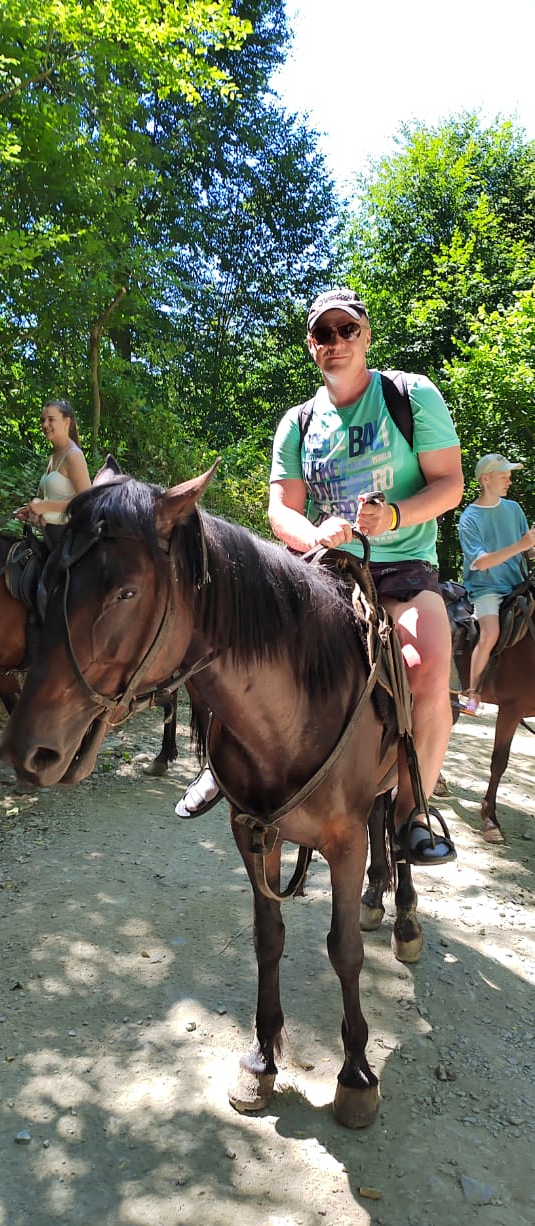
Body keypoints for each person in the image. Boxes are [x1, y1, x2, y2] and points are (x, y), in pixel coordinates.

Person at [178, 288, 464, 868]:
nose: (335, 342)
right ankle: (219, 764)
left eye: (346, 330)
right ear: (312, 345)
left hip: (404, 570)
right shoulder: (299, 422)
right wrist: (312, 536)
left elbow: (450, 484)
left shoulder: (410, 396)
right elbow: (280, 509)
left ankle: (412, 814)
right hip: (324, 570)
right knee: (230, 637)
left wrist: (395, 516)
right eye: (323, 334)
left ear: (365, 335)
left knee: (427, 667)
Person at [458, 453, 535, 715]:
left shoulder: (513, 509)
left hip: (519, 585)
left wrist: (530, 547)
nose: (509, 481)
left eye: (509, 476)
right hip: (486, 589)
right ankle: (472, 694)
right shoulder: (469, 518)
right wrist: (521, 545)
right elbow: (480, 563)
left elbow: (526, 551)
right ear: (485, 479)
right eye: (504, 476)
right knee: (489, 632)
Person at [14, 399, 91, 544]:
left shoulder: (73, 455)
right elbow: (54, 500)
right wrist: (30, 510)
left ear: (66, 422)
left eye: (51, 419)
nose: (45, 425)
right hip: (51, 537)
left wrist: (44, 506)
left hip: (71, 541)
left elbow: (87, 502)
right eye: (43, 420)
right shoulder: (53, 456)